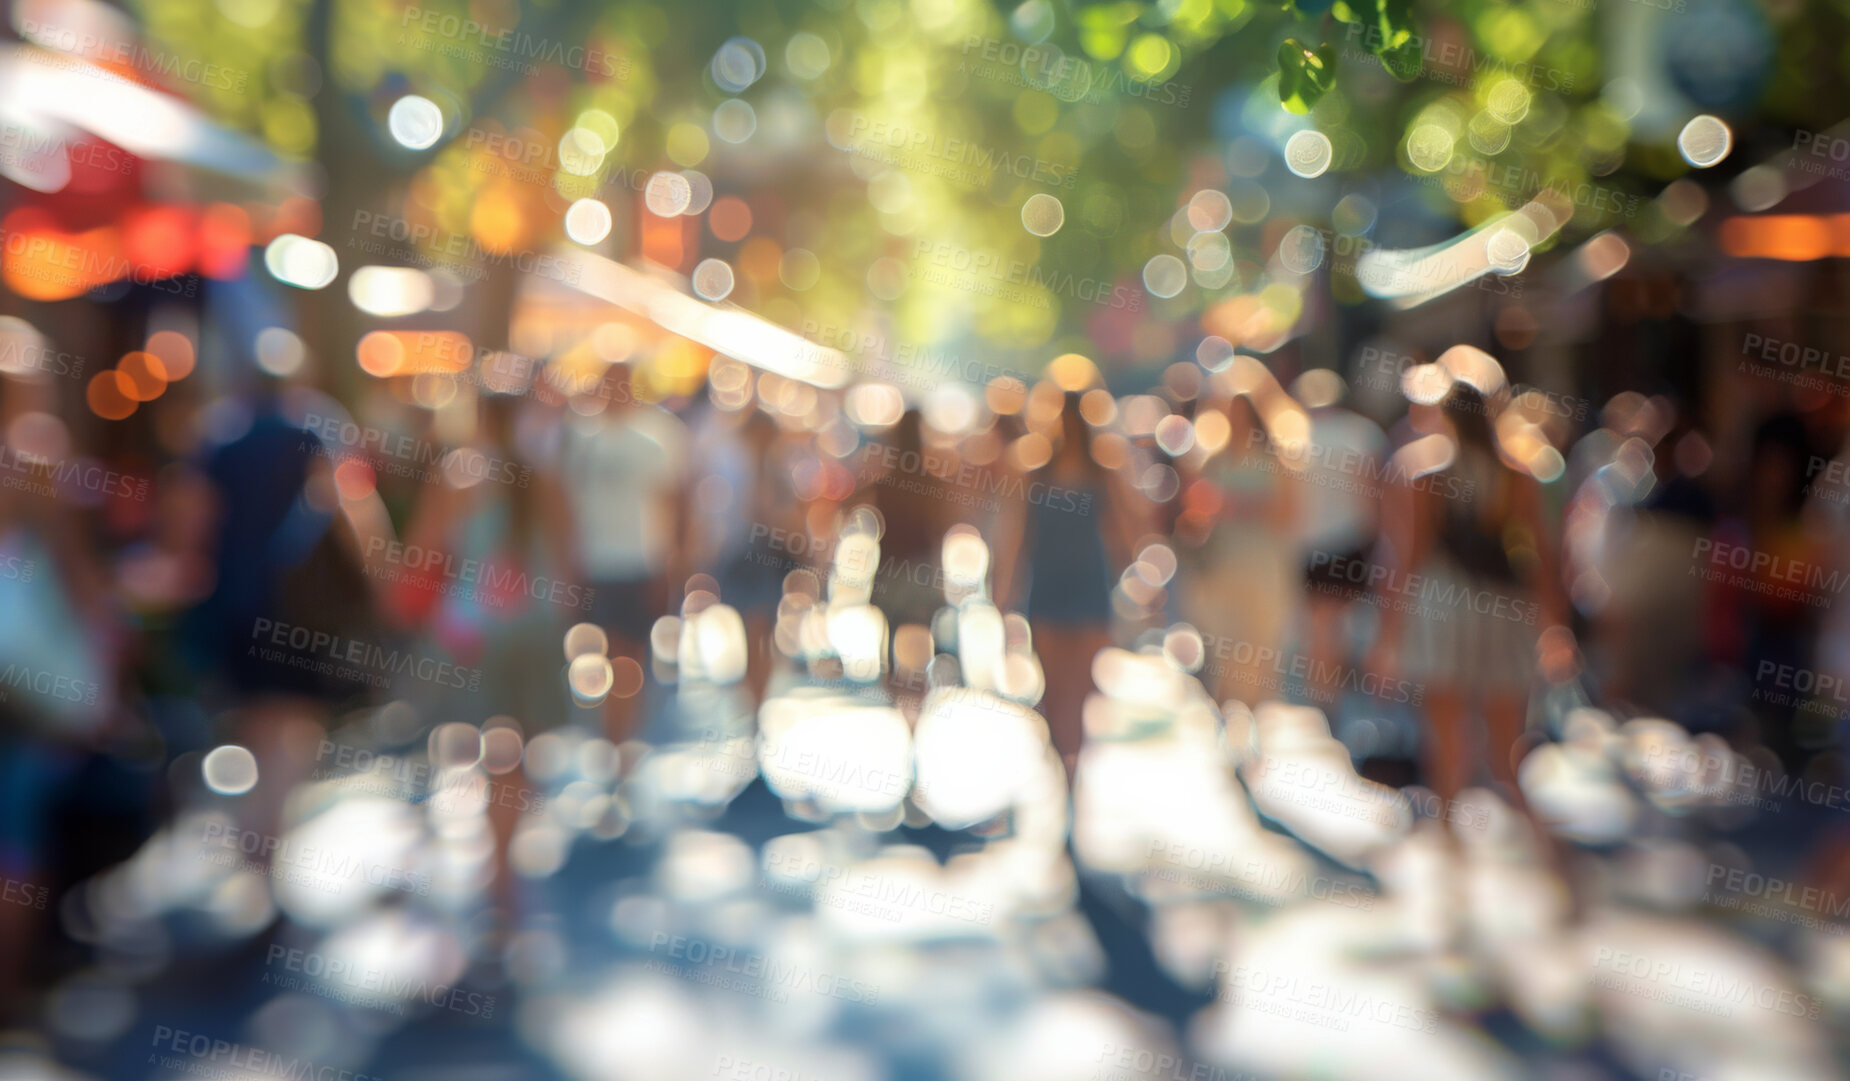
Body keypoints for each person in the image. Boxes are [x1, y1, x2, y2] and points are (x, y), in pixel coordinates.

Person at [1370, 381, 1562, 799]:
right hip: (1503, 609)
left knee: (1445, 735)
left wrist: (1388, 635)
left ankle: (1447, 825)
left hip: (1443, 609)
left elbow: (1409, 557)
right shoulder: (1517, 475)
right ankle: (1531, 831)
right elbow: (1540, 554)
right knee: (1506, 741)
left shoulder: (1426, 475)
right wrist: (1554, 626)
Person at [996, 393, 1142, 773]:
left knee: (1076, 690)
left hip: (1083, 589)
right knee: (1057, 690)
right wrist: (1004, 591)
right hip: (1054, 588)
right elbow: (1017, 537)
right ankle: (1066, 760)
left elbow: (1124, 535)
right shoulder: (1035, 470)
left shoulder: (1102, 471)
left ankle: (1070, 766)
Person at [1175, 391, 1300, 708]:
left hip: (1262, 568)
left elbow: (1288, 514)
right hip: (1223, 566)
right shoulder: (1214, 462)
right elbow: (1195, 515)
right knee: (1226, 648)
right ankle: (1229, 712)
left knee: (1259, 647)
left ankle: (1252, 713)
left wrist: (1237, 506)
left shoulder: (1274, 462)